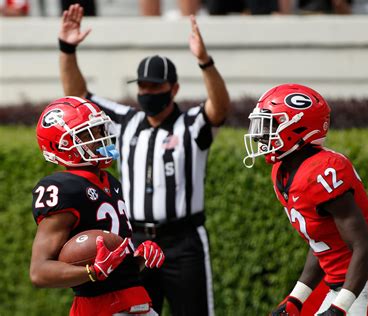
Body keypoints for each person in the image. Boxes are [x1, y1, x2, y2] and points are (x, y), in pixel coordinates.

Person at [57, 4, 230, 315]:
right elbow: (79, 97)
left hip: (183, 240)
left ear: (174, 89)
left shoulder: (191, 124)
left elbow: (219, 108)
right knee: (134, 311)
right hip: (134, 240)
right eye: (143, 86)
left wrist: (205, 62)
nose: (148, 92)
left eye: (155, 86)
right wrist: (67, 48)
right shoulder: (126, 120)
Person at [243, 83, 368, 316]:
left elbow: (364, 248)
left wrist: (338, 309)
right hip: (343, 288)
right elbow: (321, 241)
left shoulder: (323, 171)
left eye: (271, 124)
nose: (260, 134)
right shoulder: (282, 172)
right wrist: (296, 298)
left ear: (298, 127)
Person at [30, 96, 165, 316]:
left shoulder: (109, 181)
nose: (101, 139)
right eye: (88, 135)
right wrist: (91, 271)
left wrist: (138, 258)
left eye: (100, 131)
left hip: (135, 303)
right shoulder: (63, 187)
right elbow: (39, 272)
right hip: (99, 308)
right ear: (63, 145)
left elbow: (111, 263)